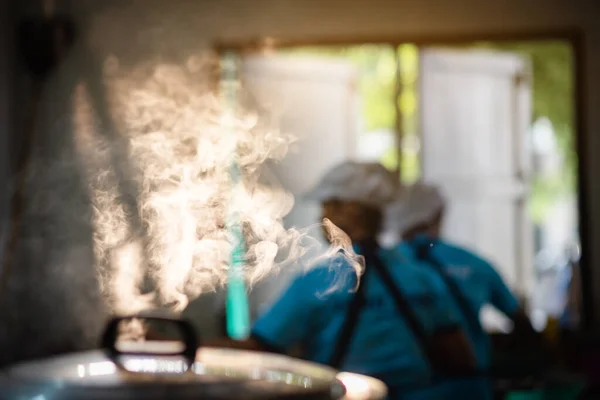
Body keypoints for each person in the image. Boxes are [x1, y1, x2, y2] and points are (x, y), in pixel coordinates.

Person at [208, 161, 477, 399]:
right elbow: (460, 357)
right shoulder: (419, 275)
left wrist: (187, 348)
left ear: (350, 211)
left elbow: (260, 347)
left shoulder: (320, 280)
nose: (320, 218)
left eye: (327, 208)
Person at [386, 182, 537, 398]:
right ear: (438, 215)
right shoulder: (474, 263)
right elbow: (521, 324)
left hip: (407, 389)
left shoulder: (383, 267)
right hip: (469, 386)